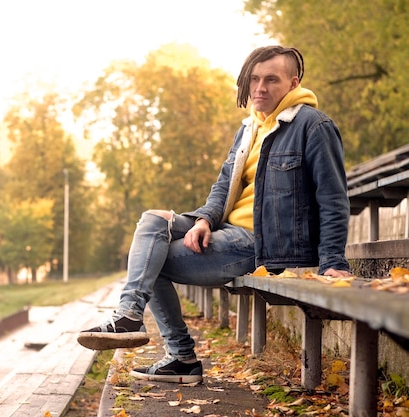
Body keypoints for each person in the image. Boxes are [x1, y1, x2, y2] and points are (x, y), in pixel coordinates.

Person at [77, 45, 352, 384]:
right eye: (253, 80)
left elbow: (333, 197)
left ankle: (180, 356)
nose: (259, 89)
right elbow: (224, 185)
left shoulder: (313, 126)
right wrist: (204, 219)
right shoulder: (251, 128)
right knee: (153, 220)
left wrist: (333, 262)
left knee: (152, 259)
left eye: (271, 80)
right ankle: (130, 315)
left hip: (263, 245)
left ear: (293, 84)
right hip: (228, 229)